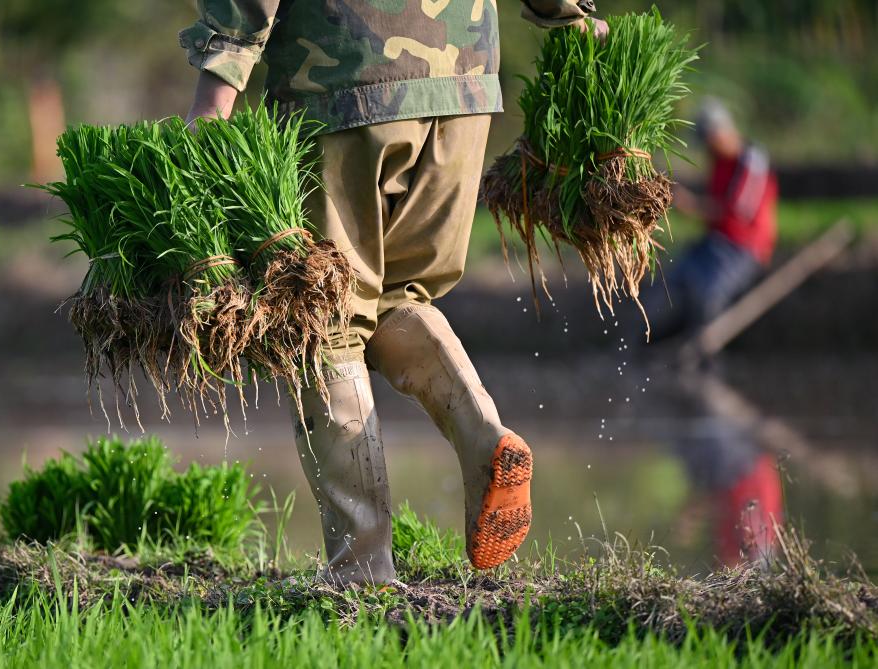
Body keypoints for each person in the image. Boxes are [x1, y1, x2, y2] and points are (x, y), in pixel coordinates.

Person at [180, 0, 608, 586]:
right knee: (397, 295)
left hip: (341, 75)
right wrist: (568, 14)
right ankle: (486, 438)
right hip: (464, 85)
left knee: (322, 317)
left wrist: (217, 85)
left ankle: (361, 571)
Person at [646, 98, 779, 343]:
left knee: (708, 292)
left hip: (743, 248)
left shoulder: (751, 162)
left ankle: (703, 353)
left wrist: (693, 206)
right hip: (715, 242)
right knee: (673, 278)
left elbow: (739, 210)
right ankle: (661, 343)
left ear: (721, 133)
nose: (708, 149)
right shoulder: (719, 162)